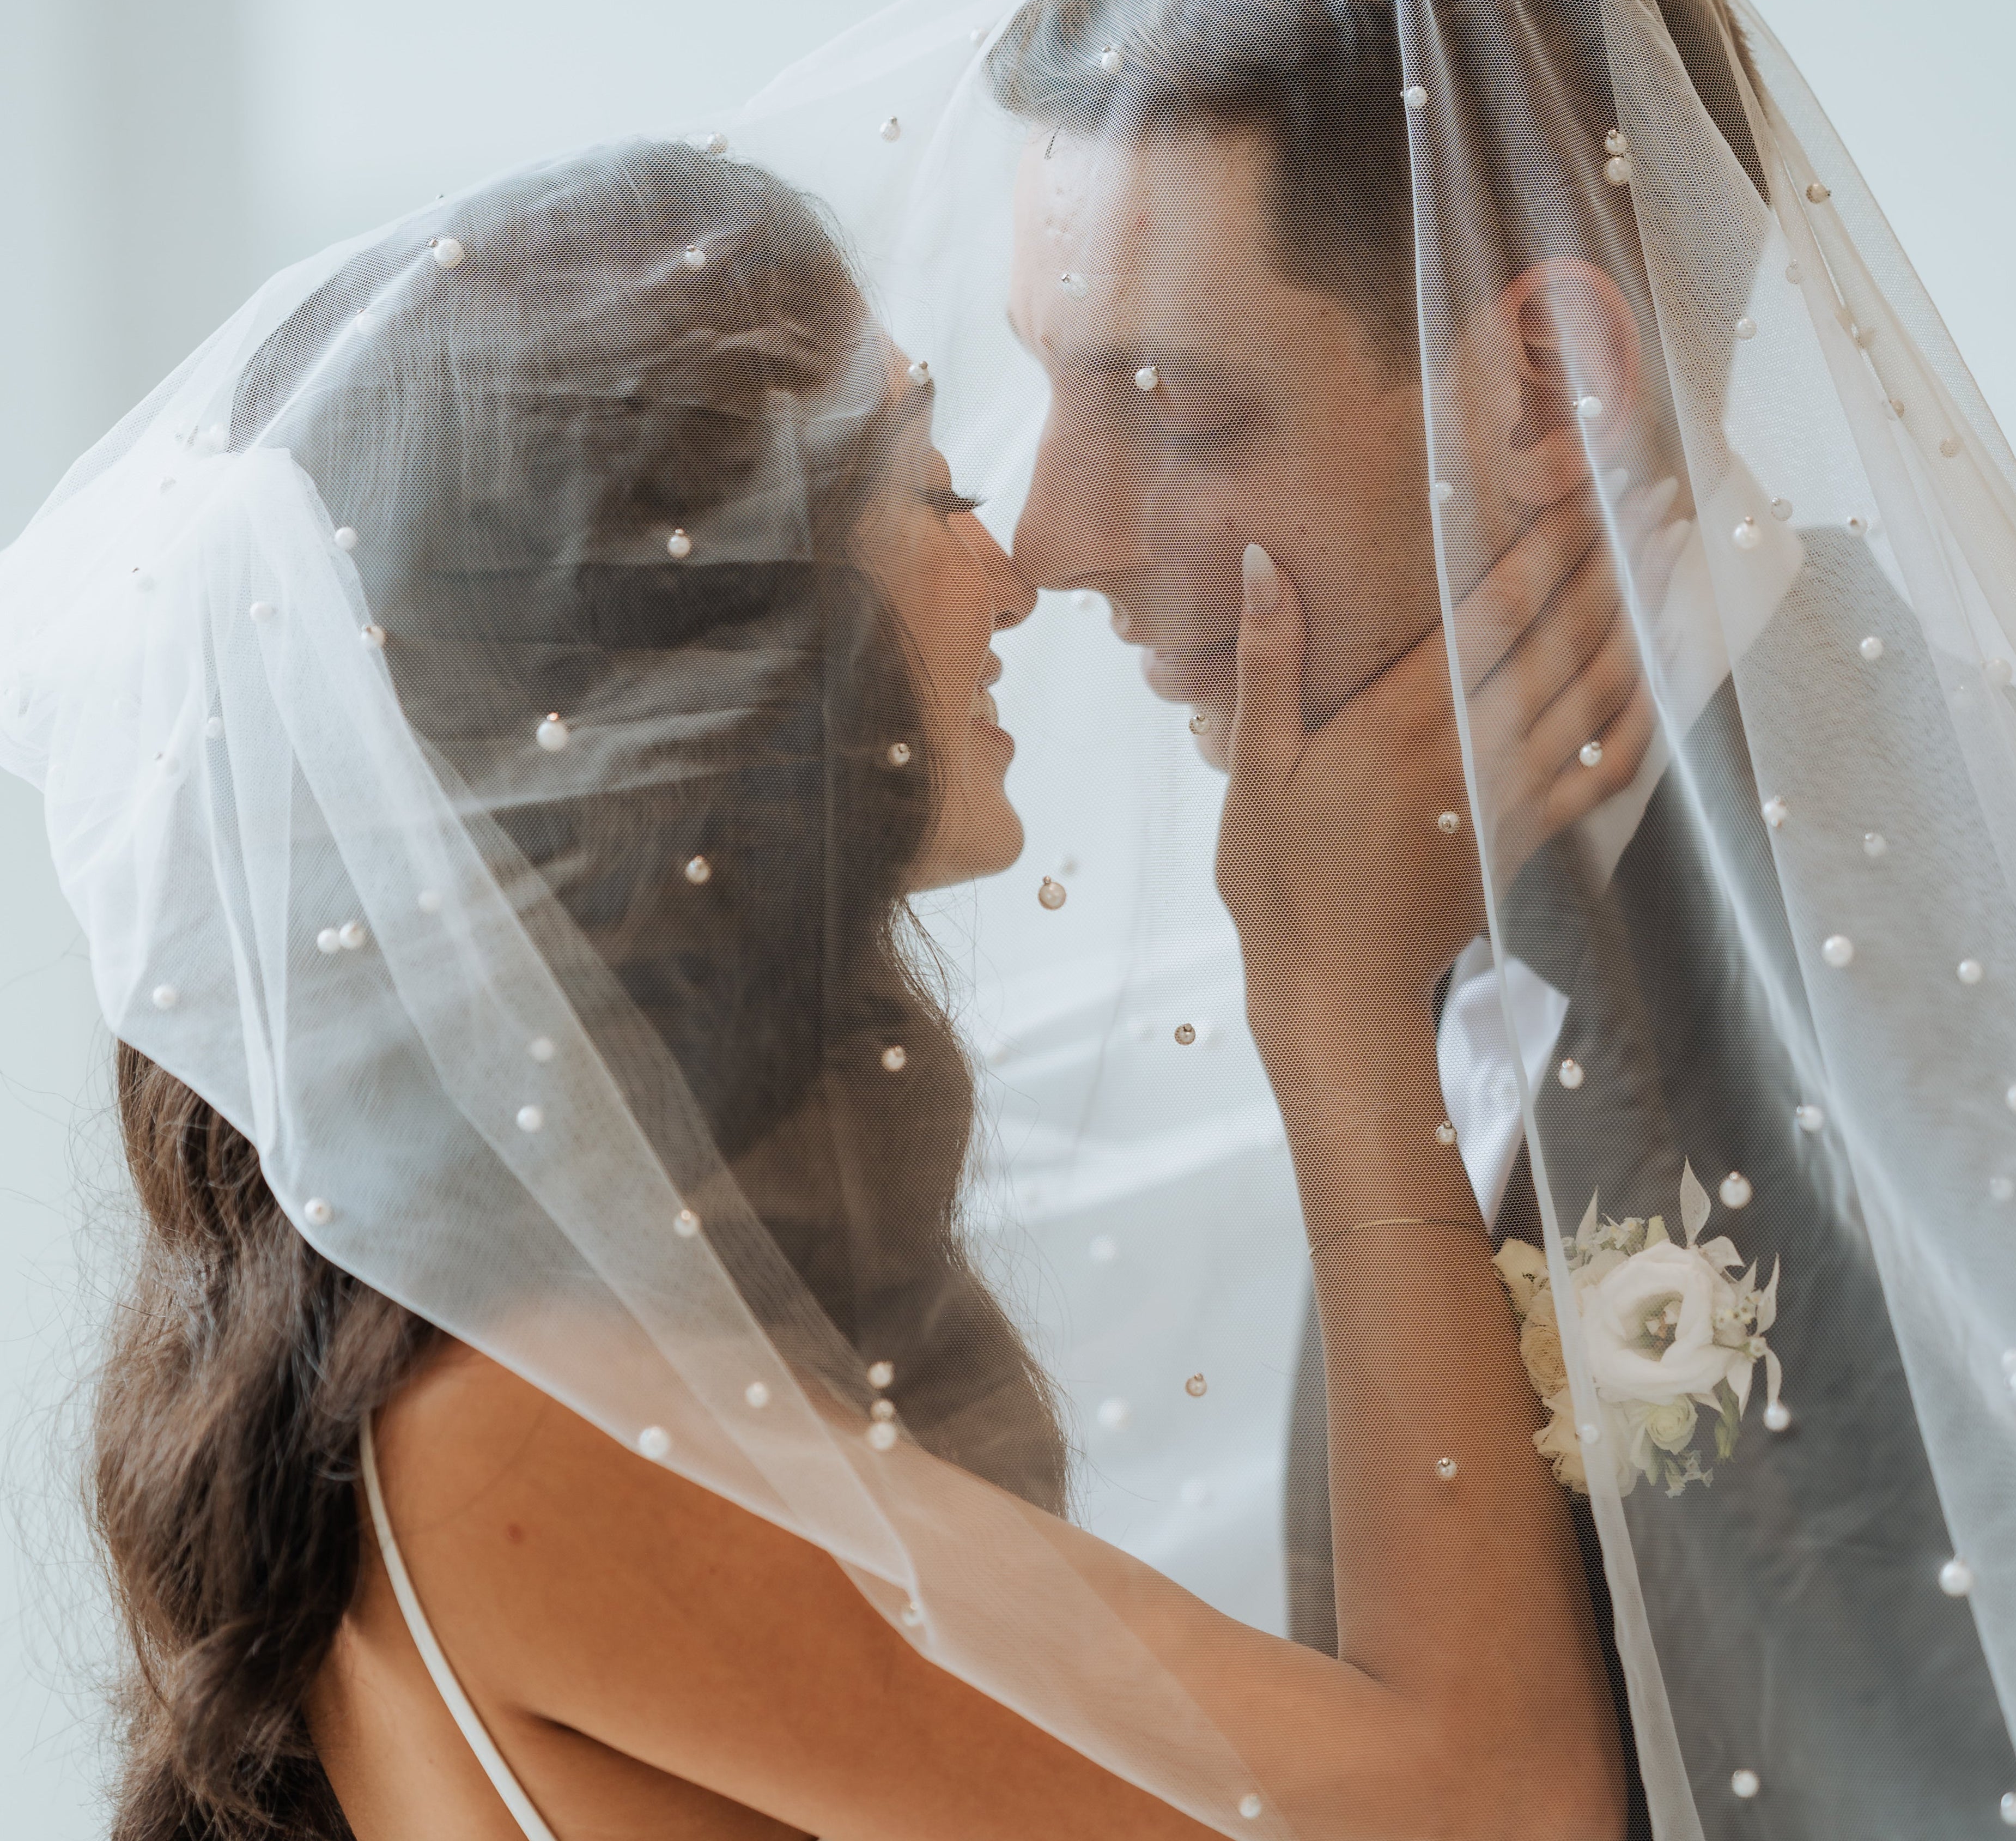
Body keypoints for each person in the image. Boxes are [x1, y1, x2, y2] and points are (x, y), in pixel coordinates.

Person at [7, 138, 1642, 1839]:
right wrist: (1337, 1012)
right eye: (928, 491)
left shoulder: (551, 1365)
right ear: (706, 642)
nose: (1013, 572)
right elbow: (1495, 1813)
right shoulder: (538, 1430)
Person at [955, 0, 2016, 1841]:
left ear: (1552, 378)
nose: (1050, 541)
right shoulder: (1435, 888)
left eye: (1173, 407)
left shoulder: (1962, 933)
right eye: (1052, 389)